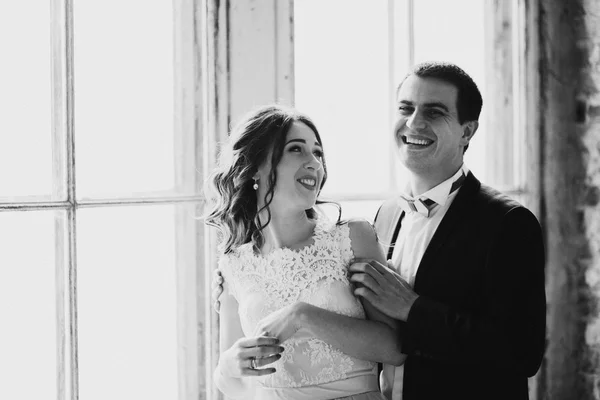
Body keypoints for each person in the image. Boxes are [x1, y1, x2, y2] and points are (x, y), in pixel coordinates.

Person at [213, 61, 546, 400]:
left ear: (467, 131)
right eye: (406, 108)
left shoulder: (507, 222)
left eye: (434, 112)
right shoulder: (386, 216)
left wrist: (412, 308)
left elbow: (521, 352)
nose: (414, 122)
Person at [204, 104, 406, 400]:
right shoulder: (233, 264)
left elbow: (395, 347)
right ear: (255, 167)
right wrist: (231, 363)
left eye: (318, 153)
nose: (314, 162)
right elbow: (230, 376)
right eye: (296, 149)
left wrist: (304, 315)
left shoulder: (351, 238)